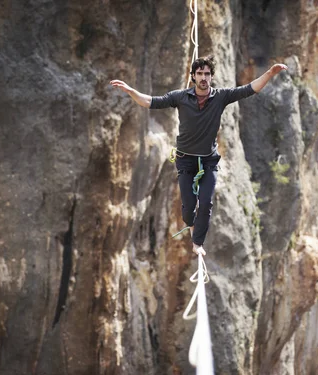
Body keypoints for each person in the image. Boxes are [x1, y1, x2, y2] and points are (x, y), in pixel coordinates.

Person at [110, 56, 287, 256]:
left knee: (206, 202)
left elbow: (249, 89)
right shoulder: (180, 97)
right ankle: (192, 225)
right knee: (188, 209)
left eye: (207, 74)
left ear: (211, 77)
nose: (203, 77)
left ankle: (198, 243)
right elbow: (150, 102)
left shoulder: (221, 96)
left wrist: (270, 73)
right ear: (193, 76)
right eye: (200, 74)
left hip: (208, 160)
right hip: (185, 159)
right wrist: (130, 91)